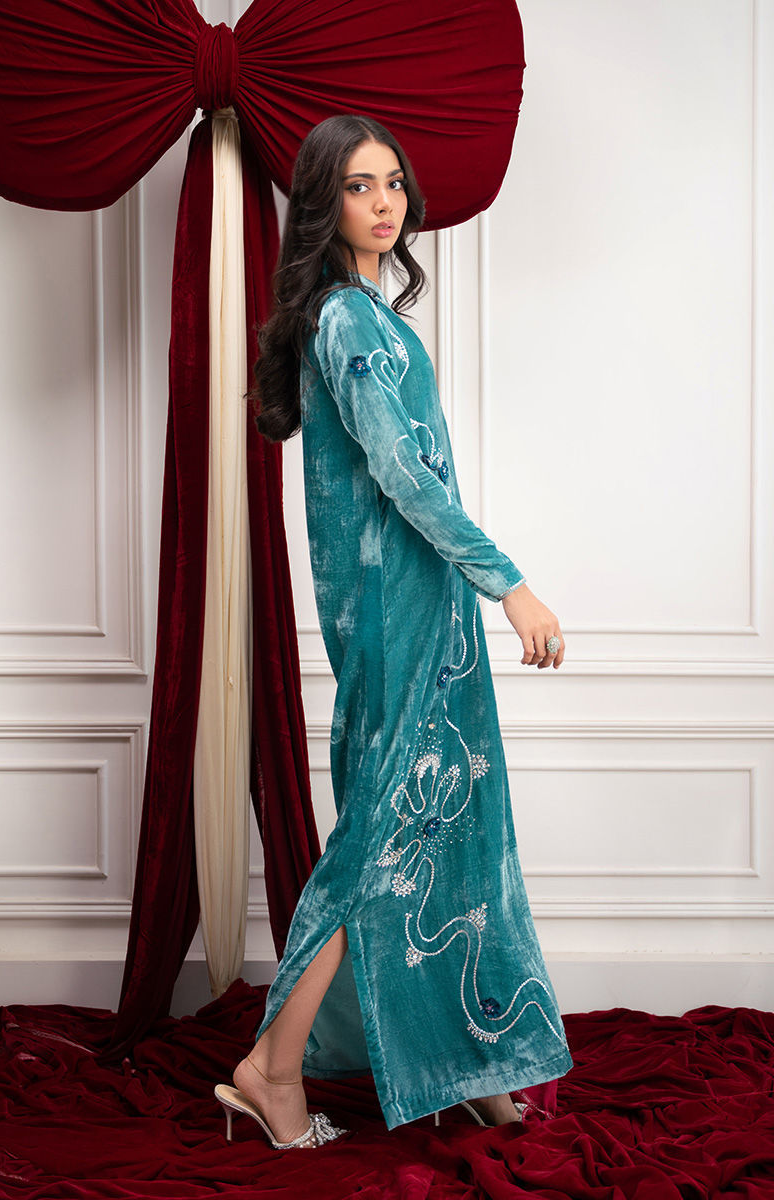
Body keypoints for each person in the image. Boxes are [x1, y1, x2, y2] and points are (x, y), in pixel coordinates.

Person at [214, 114, 573, 1150]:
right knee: (380, 843)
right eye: (359, 186)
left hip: (424, 608)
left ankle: (469, 1057)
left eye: (393, 184)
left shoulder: (364, 314)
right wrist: (509, 586)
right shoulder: (346, 321)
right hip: (398, 615)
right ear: (323, 202)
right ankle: (272, 1070)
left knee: (451, 827)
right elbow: (407, 481)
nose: (384, 203)